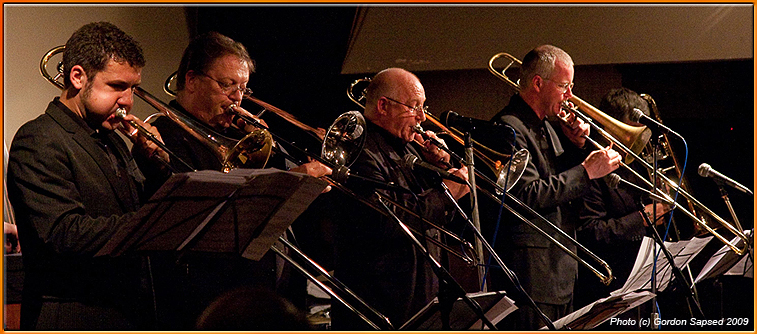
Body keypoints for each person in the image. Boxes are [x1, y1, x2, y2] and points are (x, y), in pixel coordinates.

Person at [136, 31, 332, 329]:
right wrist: (293, 178)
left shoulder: (237, 133)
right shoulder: (165, 134)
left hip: (265, 294)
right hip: (216, 302)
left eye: (243, 88)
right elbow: (209, 207)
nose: (237, 98)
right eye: (227, 85)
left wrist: (273, 151)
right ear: (191, 80)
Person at [6, 22, 170, 330]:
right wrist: (156, 223)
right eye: (117, 86)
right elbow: (63, 232)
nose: (128, 101)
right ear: (78, 77)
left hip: (126, 310)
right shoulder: (39, 138)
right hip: (73, 315)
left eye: (132, 88)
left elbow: (138, 206)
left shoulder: (113, 140)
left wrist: (155, 164)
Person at [487, 45, 621, 330]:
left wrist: (577, 148)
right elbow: (525, 196)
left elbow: (561, 188)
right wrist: (586, 171)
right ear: (538, 83)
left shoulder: (547, 127)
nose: (569, 96)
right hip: (531, 276)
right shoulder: (507, 128)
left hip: (558, 271)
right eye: (564, 86)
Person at [330, 67, 469, 329]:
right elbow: (389, 219)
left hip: (419, 299)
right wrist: (446, 192)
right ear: (383, 106)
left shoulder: (406, 147)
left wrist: (438, 170)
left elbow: (430, 213)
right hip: (381, 307)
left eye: (423, 107)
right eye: (414, 106)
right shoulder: (360, 152)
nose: (422, 117)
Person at [573, 87, 670, 326]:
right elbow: (591, 231)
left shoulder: (638, 165)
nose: (633, 141)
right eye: (627, 131)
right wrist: (644, 216)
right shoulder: (591, 167)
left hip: (644, 287)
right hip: (609, 292)